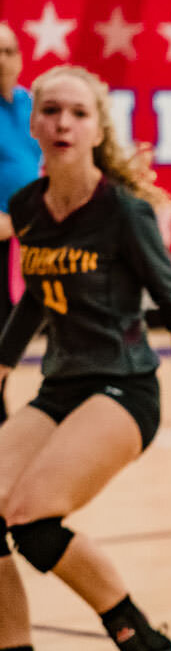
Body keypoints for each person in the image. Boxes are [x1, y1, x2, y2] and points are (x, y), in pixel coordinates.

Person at [0, 66, 171, 651]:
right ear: (34, 123)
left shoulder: (123, 211)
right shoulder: (29, 207)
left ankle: (147, 647)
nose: (62, 123)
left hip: (123, 387)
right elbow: (35, 293)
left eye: (77, 114)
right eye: (51, 111)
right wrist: (2, 367)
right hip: (61, 386)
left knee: (31, 518)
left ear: (96, 128)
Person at [0, 22, 42, 425]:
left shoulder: (30, 105)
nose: (4, 59)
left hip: (28, 233)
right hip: (3, 229)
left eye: (10, 50)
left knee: (13, 316)